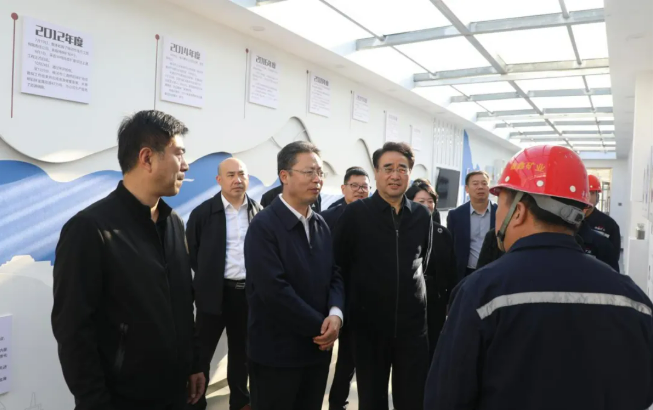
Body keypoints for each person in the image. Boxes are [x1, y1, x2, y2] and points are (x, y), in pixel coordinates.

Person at [425, 145, 653, 410]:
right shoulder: (632, 299)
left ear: (518, 212)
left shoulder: (479, 293)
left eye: (501, 204)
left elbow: (445, 398)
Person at [52, 110, 204, 410]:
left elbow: (182, 302)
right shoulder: (90, 229)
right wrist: (94, 403)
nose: (186, 165)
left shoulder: (173, 223)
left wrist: (194, 363)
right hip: (122, 399)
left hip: (178, 394)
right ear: (147, 158)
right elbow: (73, 331)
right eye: (179, 154)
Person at [244, 141, 344, 410]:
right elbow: (274, 291)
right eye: (309, 172)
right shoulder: (263, 226)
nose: (317, 179)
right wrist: (322, 328)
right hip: (277, 355)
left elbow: (334, 273)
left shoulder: (320, 223)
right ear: (284, 176)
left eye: (320, 172)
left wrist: (336, 314)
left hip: (316, 352)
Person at [333, 142, 433, 410]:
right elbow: (338, 265)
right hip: (368, 329)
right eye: (388, 168)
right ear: (376, 173)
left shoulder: (421, 215)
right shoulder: (355, 214)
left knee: (412, 400)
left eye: (402, 168)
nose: (395, 175)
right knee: (372, 400)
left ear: (409, 173)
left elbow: (422, 263)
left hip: (412, 329)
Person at [186, 158, 261, 410]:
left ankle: (240, 402)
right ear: (219, 180)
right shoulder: (202, 213)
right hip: (213, 295)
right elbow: (194, 254)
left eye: (242, 174)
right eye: (230, 175)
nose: (237, 180)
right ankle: (196, 403)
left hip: (246, 296)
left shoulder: (259, 212)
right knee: (201, 353)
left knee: (242, 354)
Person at [320, 166, 369, 410]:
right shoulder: (326, 218)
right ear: (343, 188)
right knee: (322, 356)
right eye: (354, 186)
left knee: (349, 359)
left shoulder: (376, 218)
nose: (360, 191)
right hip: (330, 298)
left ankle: (337, 404)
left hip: (362, 301)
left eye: (364, 187)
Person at [405, 180, 457, 359]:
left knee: (433, 346)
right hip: (408, 300)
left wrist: (449, 300)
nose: (427, 205)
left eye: (430, 201)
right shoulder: (401, 231)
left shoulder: (443, 233)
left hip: (436, 300)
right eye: (421, 201)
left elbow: (451, 270)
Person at [447, 170, 497, 280]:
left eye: (484, 183)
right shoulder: (456, 215)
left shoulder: (500, 212)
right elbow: (450, 248)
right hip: (465, 273)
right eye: (475, 184)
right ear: (467, 189)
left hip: (495, 272)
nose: (480, 187)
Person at [585, 174, 621, 260]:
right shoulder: (569, 222)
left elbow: (613, 259)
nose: (587, 197)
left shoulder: (610, 225)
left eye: (591, 193)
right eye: (585, 192)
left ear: (597, 196)